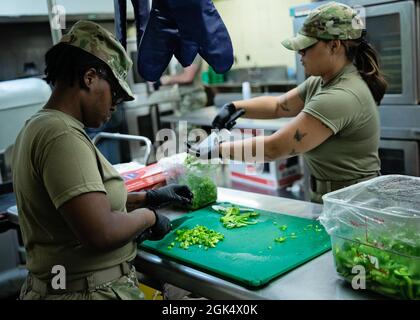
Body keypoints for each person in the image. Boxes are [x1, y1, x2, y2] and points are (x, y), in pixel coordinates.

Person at [12, 20, 193, 300]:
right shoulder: (61, 135)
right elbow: (100, 232)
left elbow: (79, 204)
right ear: (89, 77)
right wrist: (149, 218)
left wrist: (149, 198)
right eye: (115, 94)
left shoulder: (40, 125)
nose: (114, 106)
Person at [190, 2, 387, 203]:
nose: (300, 53)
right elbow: (279, 105)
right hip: (335, 198)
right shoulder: (321, 82)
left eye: (306, 47)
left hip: (353, 203)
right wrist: (234, 107)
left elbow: (274, 148)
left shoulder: (341, 95)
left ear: (334, 45)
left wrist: (219, 149)